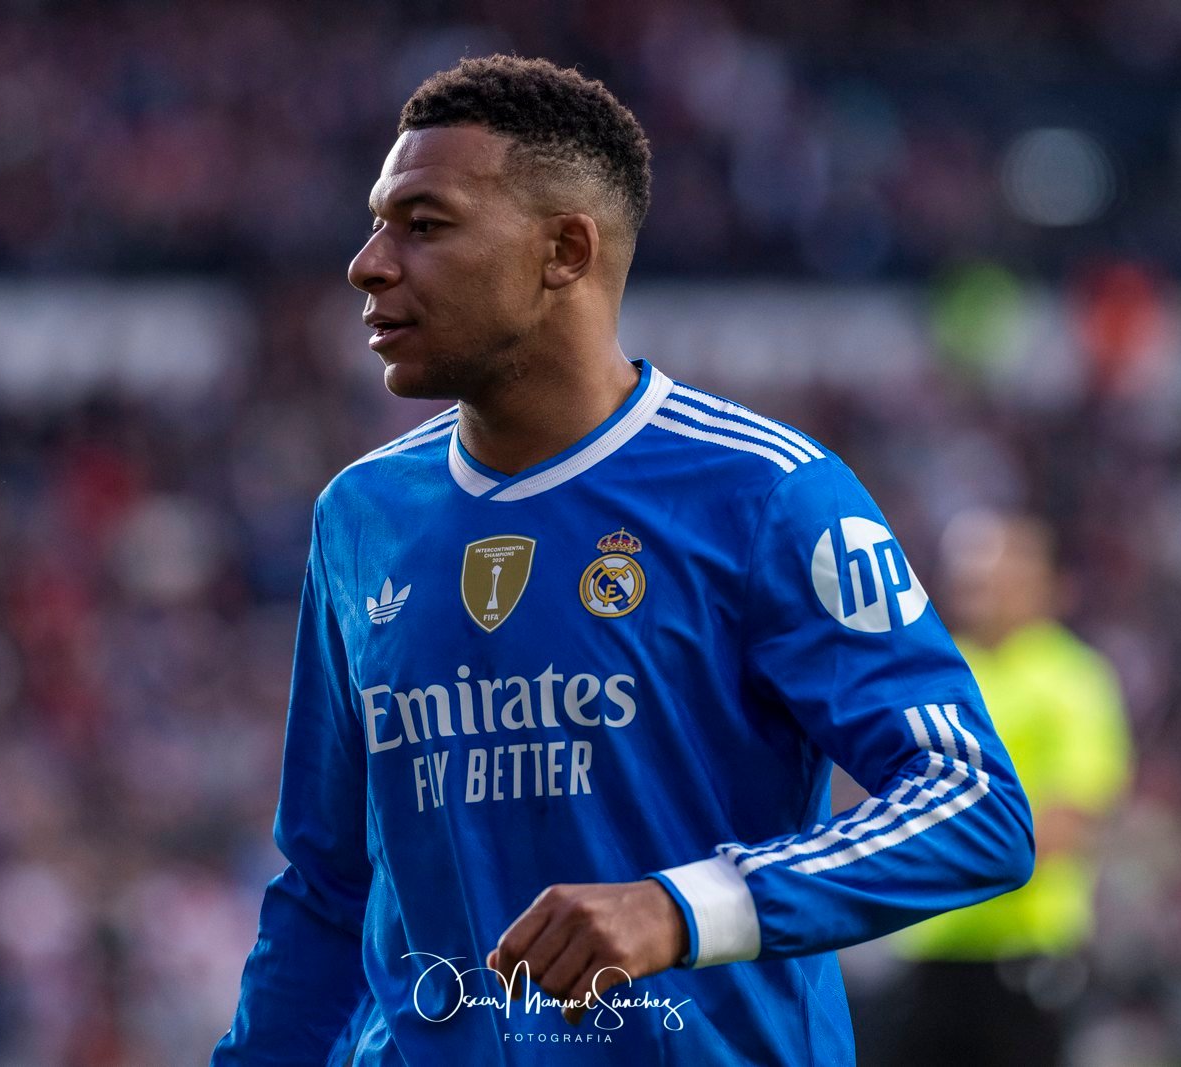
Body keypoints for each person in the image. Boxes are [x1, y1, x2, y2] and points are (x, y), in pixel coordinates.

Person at [211, 55, 1034, 1065]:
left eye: (423, 225)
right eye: (377, 223)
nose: (368, 264)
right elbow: (328, 888)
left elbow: (974, 803)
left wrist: (685, 907)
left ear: (565, 251)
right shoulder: (361, 515)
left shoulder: (765, 493)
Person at [870, 510, 1133, 1067]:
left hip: (1024, 946)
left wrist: (924, 855)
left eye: (1000, 574)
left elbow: (1070, 820)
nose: (982, 588)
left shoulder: (1073, 679)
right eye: (971, 576)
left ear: (1044, 583)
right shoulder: (935, 671)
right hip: (931, 943)